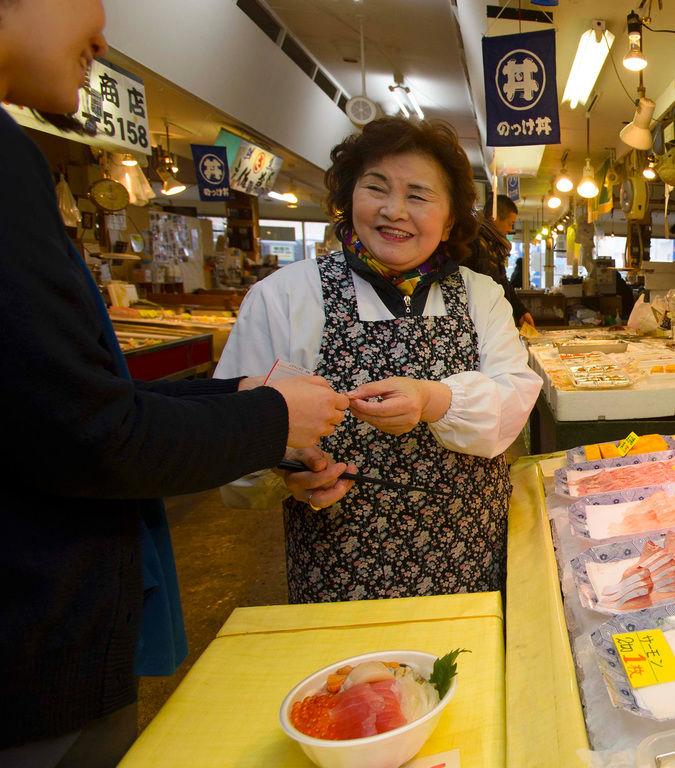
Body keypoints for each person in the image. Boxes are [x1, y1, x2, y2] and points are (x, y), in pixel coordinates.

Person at [0, 0, 351, 763]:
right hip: (27, 648)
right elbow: (88, 434)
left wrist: (243, 403)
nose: (103, 31)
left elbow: (78, 404)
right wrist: (266, 419)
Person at [217, 117, 542, 603]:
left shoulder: (481, 295)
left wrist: (434, 399)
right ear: (349, 200)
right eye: (376, 188)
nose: (395, 211)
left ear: (450, 217)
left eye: (418, 195)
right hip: (339, 560)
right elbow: (230, 439)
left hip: (470, 551)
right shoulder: (284, 296)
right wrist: (286, 471)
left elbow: (515, 397)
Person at [469, 193, 533, 329]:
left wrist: (520, 311)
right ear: (495, 217)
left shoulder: (493, 245)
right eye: (510, 224)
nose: (510, 229)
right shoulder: (474, 242)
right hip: (482, 326)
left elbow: (503, 283)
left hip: (495, 323)